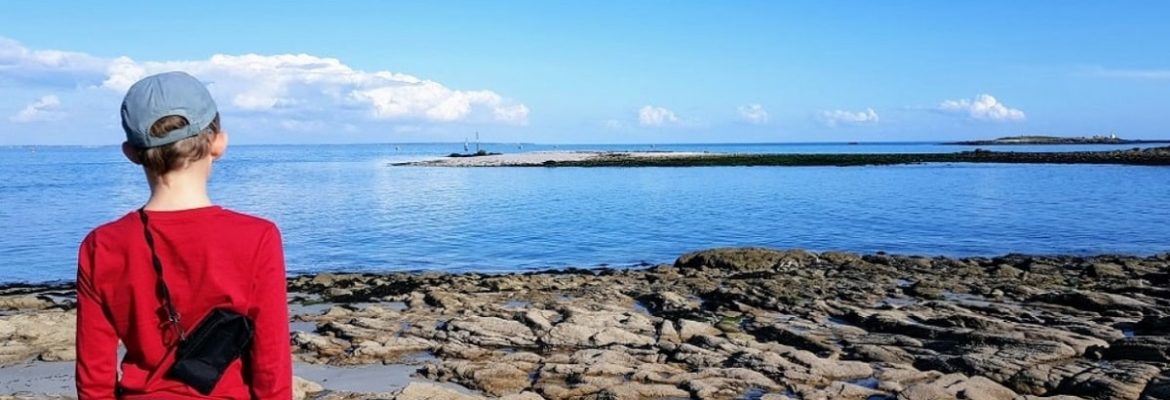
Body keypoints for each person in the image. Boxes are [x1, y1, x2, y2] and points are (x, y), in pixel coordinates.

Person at [75, 71, 292, 399]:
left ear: (131, 153)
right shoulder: (258, 237)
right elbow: (271, 368)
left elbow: (93, 378)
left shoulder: (101, 245)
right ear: (218, 142)